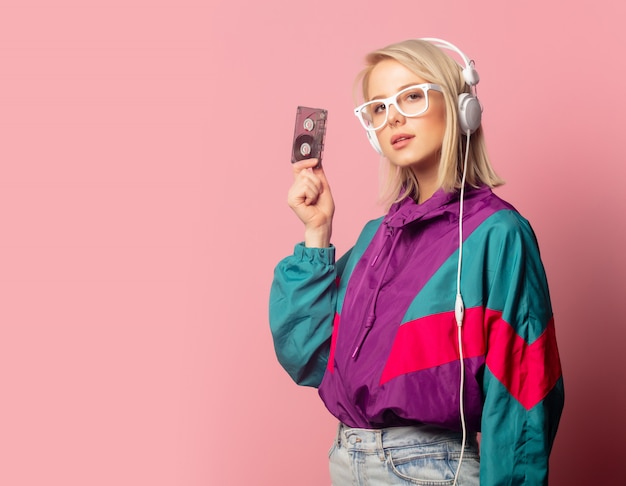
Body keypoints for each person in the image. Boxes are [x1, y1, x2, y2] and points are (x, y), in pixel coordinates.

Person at [269, 38, 564, 485]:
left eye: (411, 96)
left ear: (463, 107)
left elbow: (523, 395)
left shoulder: (497, 234)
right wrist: (317, 232)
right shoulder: (377, 237)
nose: (394, 118)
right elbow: (307, 356)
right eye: (379, 107)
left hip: (430, 470)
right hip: (347, 461)